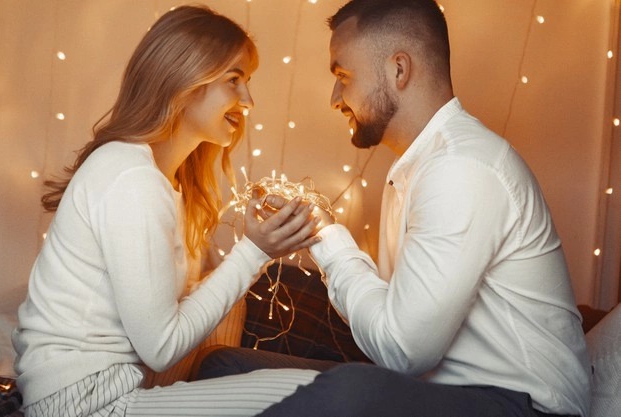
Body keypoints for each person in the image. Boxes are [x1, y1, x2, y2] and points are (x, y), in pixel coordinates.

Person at [199, 1, 592, 416]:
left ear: (398, 70)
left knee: (351, 389)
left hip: (520, 405)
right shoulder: (416, 166)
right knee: (226, 366)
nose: (335, 98)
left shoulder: (462, 167)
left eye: (343, 76)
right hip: (439, 392)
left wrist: (330, 241)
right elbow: (398, 322)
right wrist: (318, 230)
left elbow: (402, 350)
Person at [11, 5, 327, 417]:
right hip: (84, 404)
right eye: (234, 80)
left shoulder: (163, 181)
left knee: (320, 387)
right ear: (185, 80)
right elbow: (161, 346)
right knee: (327, 394)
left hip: (111, 391)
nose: (248, 101)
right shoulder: (130, 176)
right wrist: (253, 252)